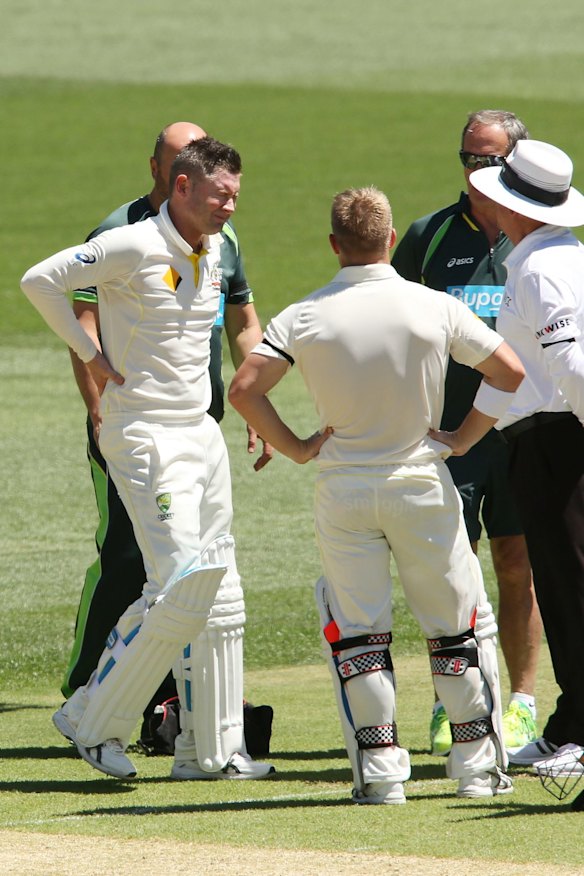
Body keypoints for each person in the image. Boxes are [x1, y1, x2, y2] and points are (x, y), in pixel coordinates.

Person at [229, 186, 524, 803]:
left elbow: (245, 389)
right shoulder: (431, 307)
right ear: (390, 240)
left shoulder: (305, 314)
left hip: (343, 488)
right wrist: (464, 438)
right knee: (455, 628)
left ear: (335, 246)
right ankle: (475, 771)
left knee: (360, 635)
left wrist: (301, 447)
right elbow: (509, 372)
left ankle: (383, 774)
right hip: (420, 479)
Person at [21, 136, 274, 782]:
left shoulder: (218, 244)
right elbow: (41, 281)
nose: (230, 206)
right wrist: (89, 354)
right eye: (221, 195)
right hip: (145, 437)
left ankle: (210, 751)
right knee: (178, 586)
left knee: (219, 589)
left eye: (236, 196)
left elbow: (238, 322)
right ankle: (90, 718)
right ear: (181, 188)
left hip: (201, 433)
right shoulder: (132, 242)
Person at [391, 109, 543, 758]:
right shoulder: (429, 236)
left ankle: (522, 703)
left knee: (517, 566)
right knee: (447, 574)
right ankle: (450, 699)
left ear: (517, 159)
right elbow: (387, 321)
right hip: (448, 435)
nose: (476, 172)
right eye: (468, 159)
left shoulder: (540, 235)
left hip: (525, 434)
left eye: (489, 160)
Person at [454, 139, 584, 781]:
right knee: (561, 592)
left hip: (561, 446)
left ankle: (582, 733)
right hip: (544, 442)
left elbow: (571, 366)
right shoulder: (551, 256)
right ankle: (571, 724)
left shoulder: (539, 269)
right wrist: (463, 438)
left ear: (516, 207)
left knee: (573, 591)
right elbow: (515, 373)